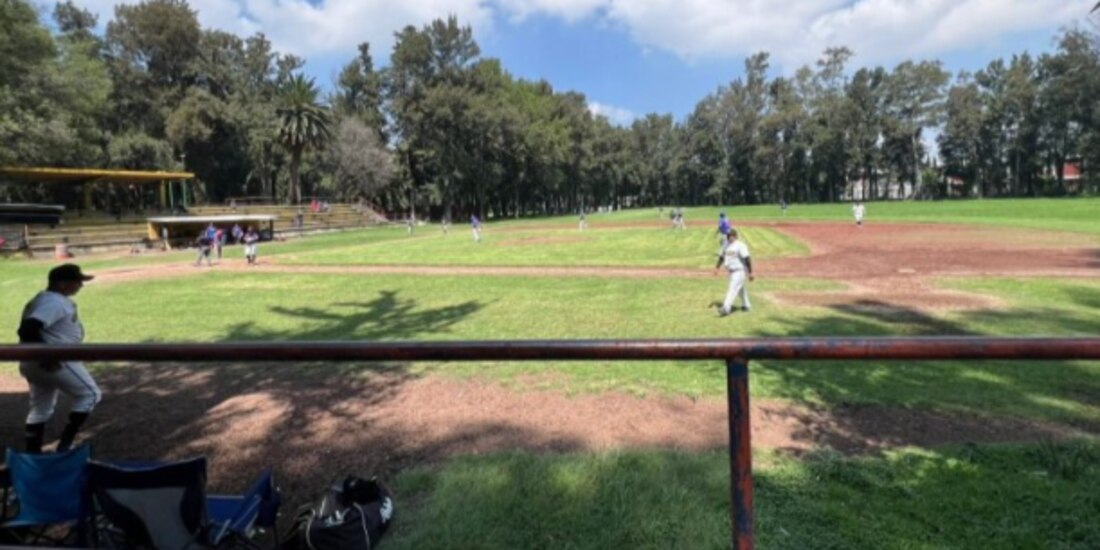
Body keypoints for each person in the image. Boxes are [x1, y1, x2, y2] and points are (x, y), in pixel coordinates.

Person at [17, 264, 102, 453]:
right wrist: (46, 355)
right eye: (77, 281)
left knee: (40, 408)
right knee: (90, 394)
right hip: (54, 360)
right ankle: (65, 446)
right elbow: (27, 329)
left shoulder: (45, 299)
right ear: (62, 284)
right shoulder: (53, 302)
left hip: (31, 360)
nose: (80, 285)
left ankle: (33, 454)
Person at [713, 229, 754, 317]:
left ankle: (726, 308)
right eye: (728, 235)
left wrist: (750, 272)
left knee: (732, 289)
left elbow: (747, 258)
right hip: (731, 272)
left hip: (739, 271)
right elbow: (722, 257)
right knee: (740, 289)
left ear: (735, 236)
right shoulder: (726, 245)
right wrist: (717, 267)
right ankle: (746, 305)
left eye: (730, 236)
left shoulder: (740, 245)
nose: (728, 237)